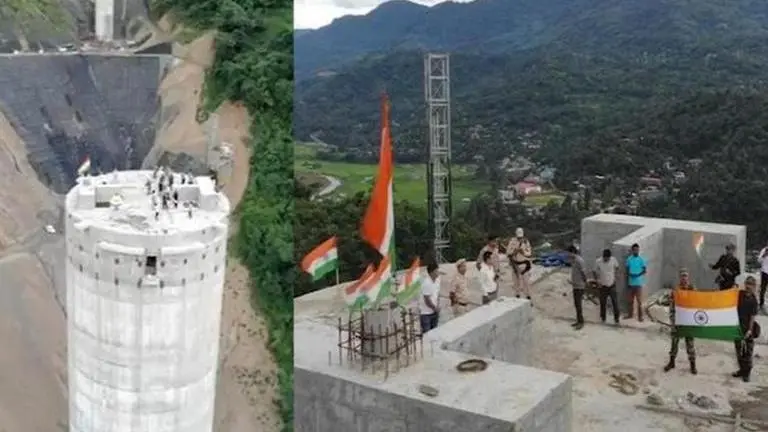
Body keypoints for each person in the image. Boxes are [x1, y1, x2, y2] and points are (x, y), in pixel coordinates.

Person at [664, 268, 697, 375]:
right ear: (680, 278)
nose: (684, 278)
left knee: (690, 344)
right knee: (674, 342)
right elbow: (672, 307)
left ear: (688, 277)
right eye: (682, 276)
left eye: (686, 276)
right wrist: (672, 321)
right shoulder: (676, 290)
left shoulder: (693, 289)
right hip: (678, 321)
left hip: (688, 321)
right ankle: (672, 362)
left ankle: (693, 365)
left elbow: (698, 304)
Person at [733, 276, 759, 382]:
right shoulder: (740, 294)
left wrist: (749, 330)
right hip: (737, 328)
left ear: (754, 286)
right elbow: (732, 294)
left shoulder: (754, 301)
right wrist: (733, 288)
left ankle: (747, 373)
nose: (748, 286)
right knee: (739, 351)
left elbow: (752, 317)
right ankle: (741, 370)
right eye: (747, 283)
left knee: (748, 353)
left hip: (748, 329)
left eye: (751, 284)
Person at [593, 248, 620, 324]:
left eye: (607, 258)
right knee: (602, 302)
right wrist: (597, 280)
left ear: (609, 257)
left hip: (612, 285)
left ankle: (616, 318)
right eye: (605, 258)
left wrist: (616, 276)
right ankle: (603, 317)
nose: (606, 259)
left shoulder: (613, 260)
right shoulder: (598, 261)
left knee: (615, 302)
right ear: (603, 256)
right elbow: (594, 271)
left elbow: (617, 268)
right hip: (602, 286)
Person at [507, 227, 533, 300]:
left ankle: (528, 296)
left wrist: (523, 252)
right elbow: (508, 252)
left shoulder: (526, 241)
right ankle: (517, 296)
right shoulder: (512, 241)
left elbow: (529, 253)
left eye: (520, 237)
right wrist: (514, 252)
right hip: (515, 263)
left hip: (524, 263)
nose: (519, 238)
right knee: (516, 281)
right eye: (518, 237)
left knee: (526, 281)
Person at [625, 243, 647, 321]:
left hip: (638, 284)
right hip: (631, 283)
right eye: (634, 250)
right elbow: (627, 271)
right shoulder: (629, 259)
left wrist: (637, 275)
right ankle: (630, 315)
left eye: (637, 250)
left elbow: (644, 270)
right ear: (632, 250)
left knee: (639, 302)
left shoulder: (641, 259)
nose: (636, 251)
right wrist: (628, 279)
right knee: (630, 301)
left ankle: (640, 317)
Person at [567, 245, 587, 330]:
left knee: (578, 305)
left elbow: (583, 273)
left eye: (569, 253)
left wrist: (585, 282)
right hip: (575, 285)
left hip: (579, 286)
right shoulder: (574, 260)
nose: (568, 254)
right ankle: (578, 320)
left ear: (573, 252)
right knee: (576, 304)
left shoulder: (579, 260)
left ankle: (581, 322)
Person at [419, 262, 441, 333]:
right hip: (426, 314)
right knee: (427, 335)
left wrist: (437, 305)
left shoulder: (438, 280)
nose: (438, 272)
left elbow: (437, 295)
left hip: (435, 311)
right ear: (432, 272)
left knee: (434, 333)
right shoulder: (426, 283)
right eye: (437, 270)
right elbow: (427, 300)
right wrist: (435, 308)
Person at [757, 243, 768, 309]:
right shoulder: (764, 250)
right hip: (764, 272)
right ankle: (761, 304)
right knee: (763, 289)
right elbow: (759, 260)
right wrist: (764, 255)